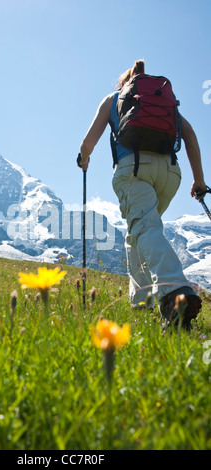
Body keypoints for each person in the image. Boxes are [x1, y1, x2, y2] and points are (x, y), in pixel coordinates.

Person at [78, 59, 207, 329]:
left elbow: (87, 143)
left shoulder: (114, 99)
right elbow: (191, 135)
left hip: (134, 169)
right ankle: (141, 302)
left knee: (145, 228)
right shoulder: (164, 101)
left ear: (124, 83)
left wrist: (84, 159)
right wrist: (199, 181)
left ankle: (175, 292)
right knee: (136, 234)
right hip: (170, 172)